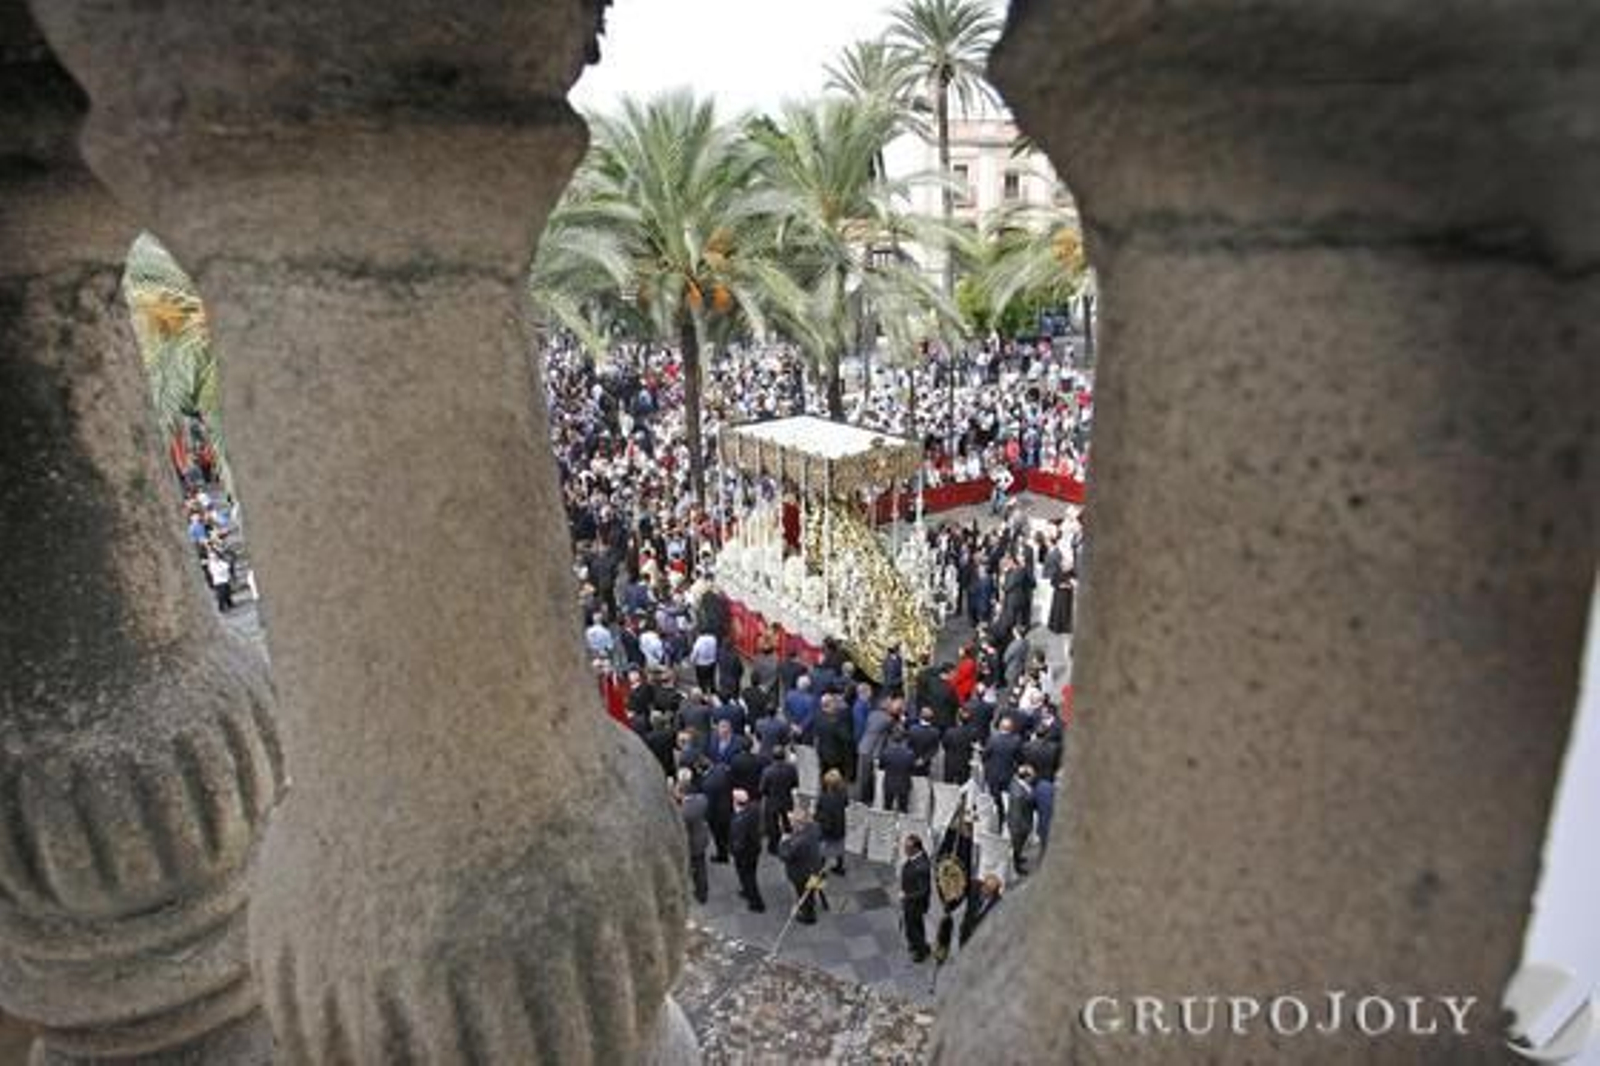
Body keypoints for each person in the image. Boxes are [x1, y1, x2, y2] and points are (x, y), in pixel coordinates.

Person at [777, 811, 824, 925]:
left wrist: (783, 841)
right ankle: (815, 900)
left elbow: (785, 856)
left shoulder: (799, 842)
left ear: (798, 824)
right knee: (812, 890)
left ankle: (808, 916)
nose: (791, 824)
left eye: (793, 822)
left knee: (803, 893)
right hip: (816, 867)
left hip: (802, 874)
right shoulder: (814, 827)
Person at [729, 789, 766, 913]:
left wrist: (733, 852)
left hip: (744, 854)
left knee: (748, 877)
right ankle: (746, 891)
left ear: (735, 802)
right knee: (750, 874)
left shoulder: (739, 821)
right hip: (754, 848)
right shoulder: (754, 808)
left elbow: (738, 843)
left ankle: (756, 903)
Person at [676, 773, 710, 905]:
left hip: (693, 843)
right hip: (702, 836)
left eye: (677, 791)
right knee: (701, 863)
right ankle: (703, 888)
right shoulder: (702, 799)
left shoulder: (683, 812)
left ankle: (701, 893)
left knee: (698, 868)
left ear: (682, 793)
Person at [759, 748, 799, 854]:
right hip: (786, 798)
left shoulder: (767, 771)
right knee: (787, 821)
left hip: (772, 801)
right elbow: (795, 784)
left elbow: (762, 789)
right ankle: (789, 841)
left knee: (773, 825)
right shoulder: (791, 769)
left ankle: (773, 847)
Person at [855, 696, 893, 805]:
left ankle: (861, 798)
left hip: (863, 746)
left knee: (862, 775)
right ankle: (868, 799)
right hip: (874, 750)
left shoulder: (872, 714)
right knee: (871, 776)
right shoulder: (888, 719)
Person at [900, 834, 933, 962]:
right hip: (912, 902)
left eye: (907, 847)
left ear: (916, 849)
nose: (905, 850)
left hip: (915, 904)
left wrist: (906, 896)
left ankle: (921, 951)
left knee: (912, 929)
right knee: (918, 926)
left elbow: (923, 891)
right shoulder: (917, 857)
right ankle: (918, 945)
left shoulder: (921, 867)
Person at [815, 769, 849, 875]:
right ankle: (839, 867)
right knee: (839, 847)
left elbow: (818, 813)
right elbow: (846, 804)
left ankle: (820, 873)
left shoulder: (824, 797)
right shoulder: (843, 794)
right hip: (839, 826)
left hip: (827, 828)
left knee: (822, 851)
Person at [1007, 765, 1037, 875]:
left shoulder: (1020, 784)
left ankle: (1018, 857)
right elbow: (1016, 815)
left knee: (1019, 845)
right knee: (1017, 845)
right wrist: (1020, 829)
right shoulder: (1019, 794)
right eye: (1032, 777)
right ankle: (1016, 867)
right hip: (1019, 825)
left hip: (1023, 821)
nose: (1034, 779)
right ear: (1026, 777)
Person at [878, 730, 916, 814]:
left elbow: (881, 766)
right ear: (904, 740)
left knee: (887, 808)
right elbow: (912, 768)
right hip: (904, 783)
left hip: (889, 783)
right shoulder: (910, 754)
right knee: (903, 809)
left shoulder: (886, 752)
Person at [960, 874, 1003, 946]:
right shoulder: (973, 886)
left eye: (990, 890)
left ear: (994, 892)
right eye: (985, 886)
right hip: (963, 925)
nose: (985, 890)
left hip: (979, 934)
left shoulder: (998, 903)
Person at [1048, 566, 1075, 635]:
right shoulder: (1057, 572)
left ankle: (1065, 628)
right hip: (1059, 595)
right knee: (1058, 611)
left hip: (1068, 595)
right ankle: (1057, 628)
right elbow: (1052, 582)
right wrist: (1060, 585)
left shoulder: (1072, 573)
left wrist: (1071, 585)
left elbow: (1074, 582)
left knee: (1066, 611)